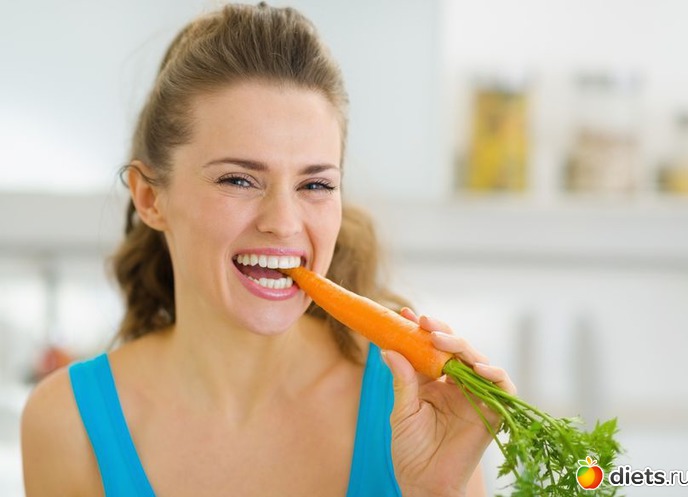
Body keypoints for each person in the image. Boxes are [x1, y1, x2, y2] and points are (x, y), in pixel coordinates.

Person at [21, 3, 515, 496]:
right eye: (238, 180)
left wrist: (435, 492)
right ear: (150, 198)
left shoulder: (412, 409)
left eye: (315, 185)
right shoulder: (69, 423)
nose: (283, 223)